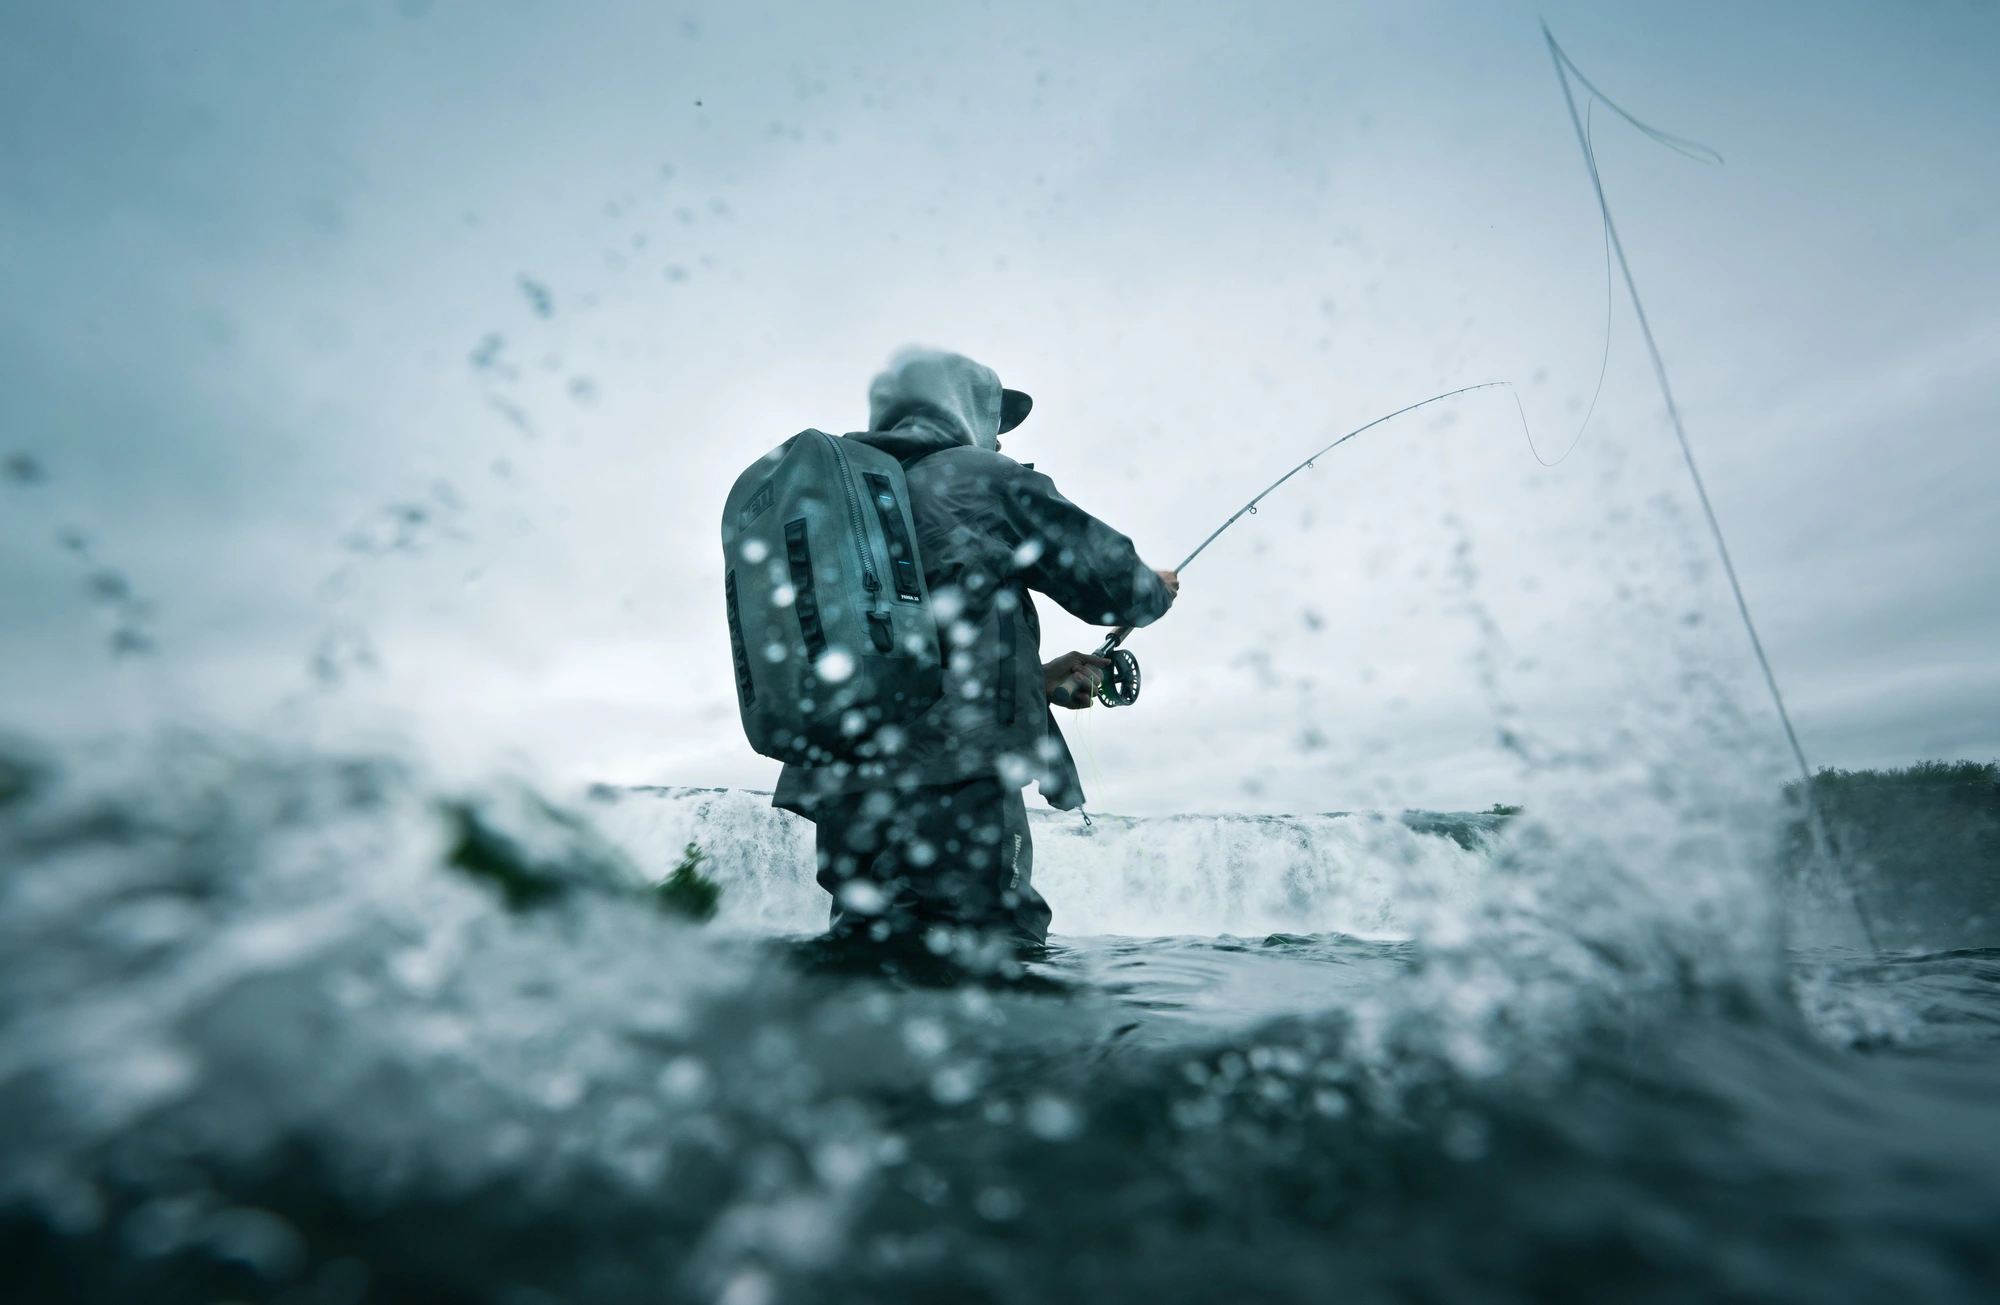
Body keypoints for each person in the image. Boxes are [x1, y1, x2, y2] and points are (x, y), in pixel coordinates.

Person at [773, 349, 1179, 952]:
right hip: (956, 775)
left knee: (866, 952)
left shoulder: (846, 497)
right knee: (993, 952)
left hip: (843, 783)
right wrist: (1155, 588)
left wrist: (1038, 679)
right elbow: (1116, 587)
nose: (999, 436)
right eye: (992, 416)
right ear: (960, 409)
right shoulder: (983, 477)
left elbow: (901, 642)